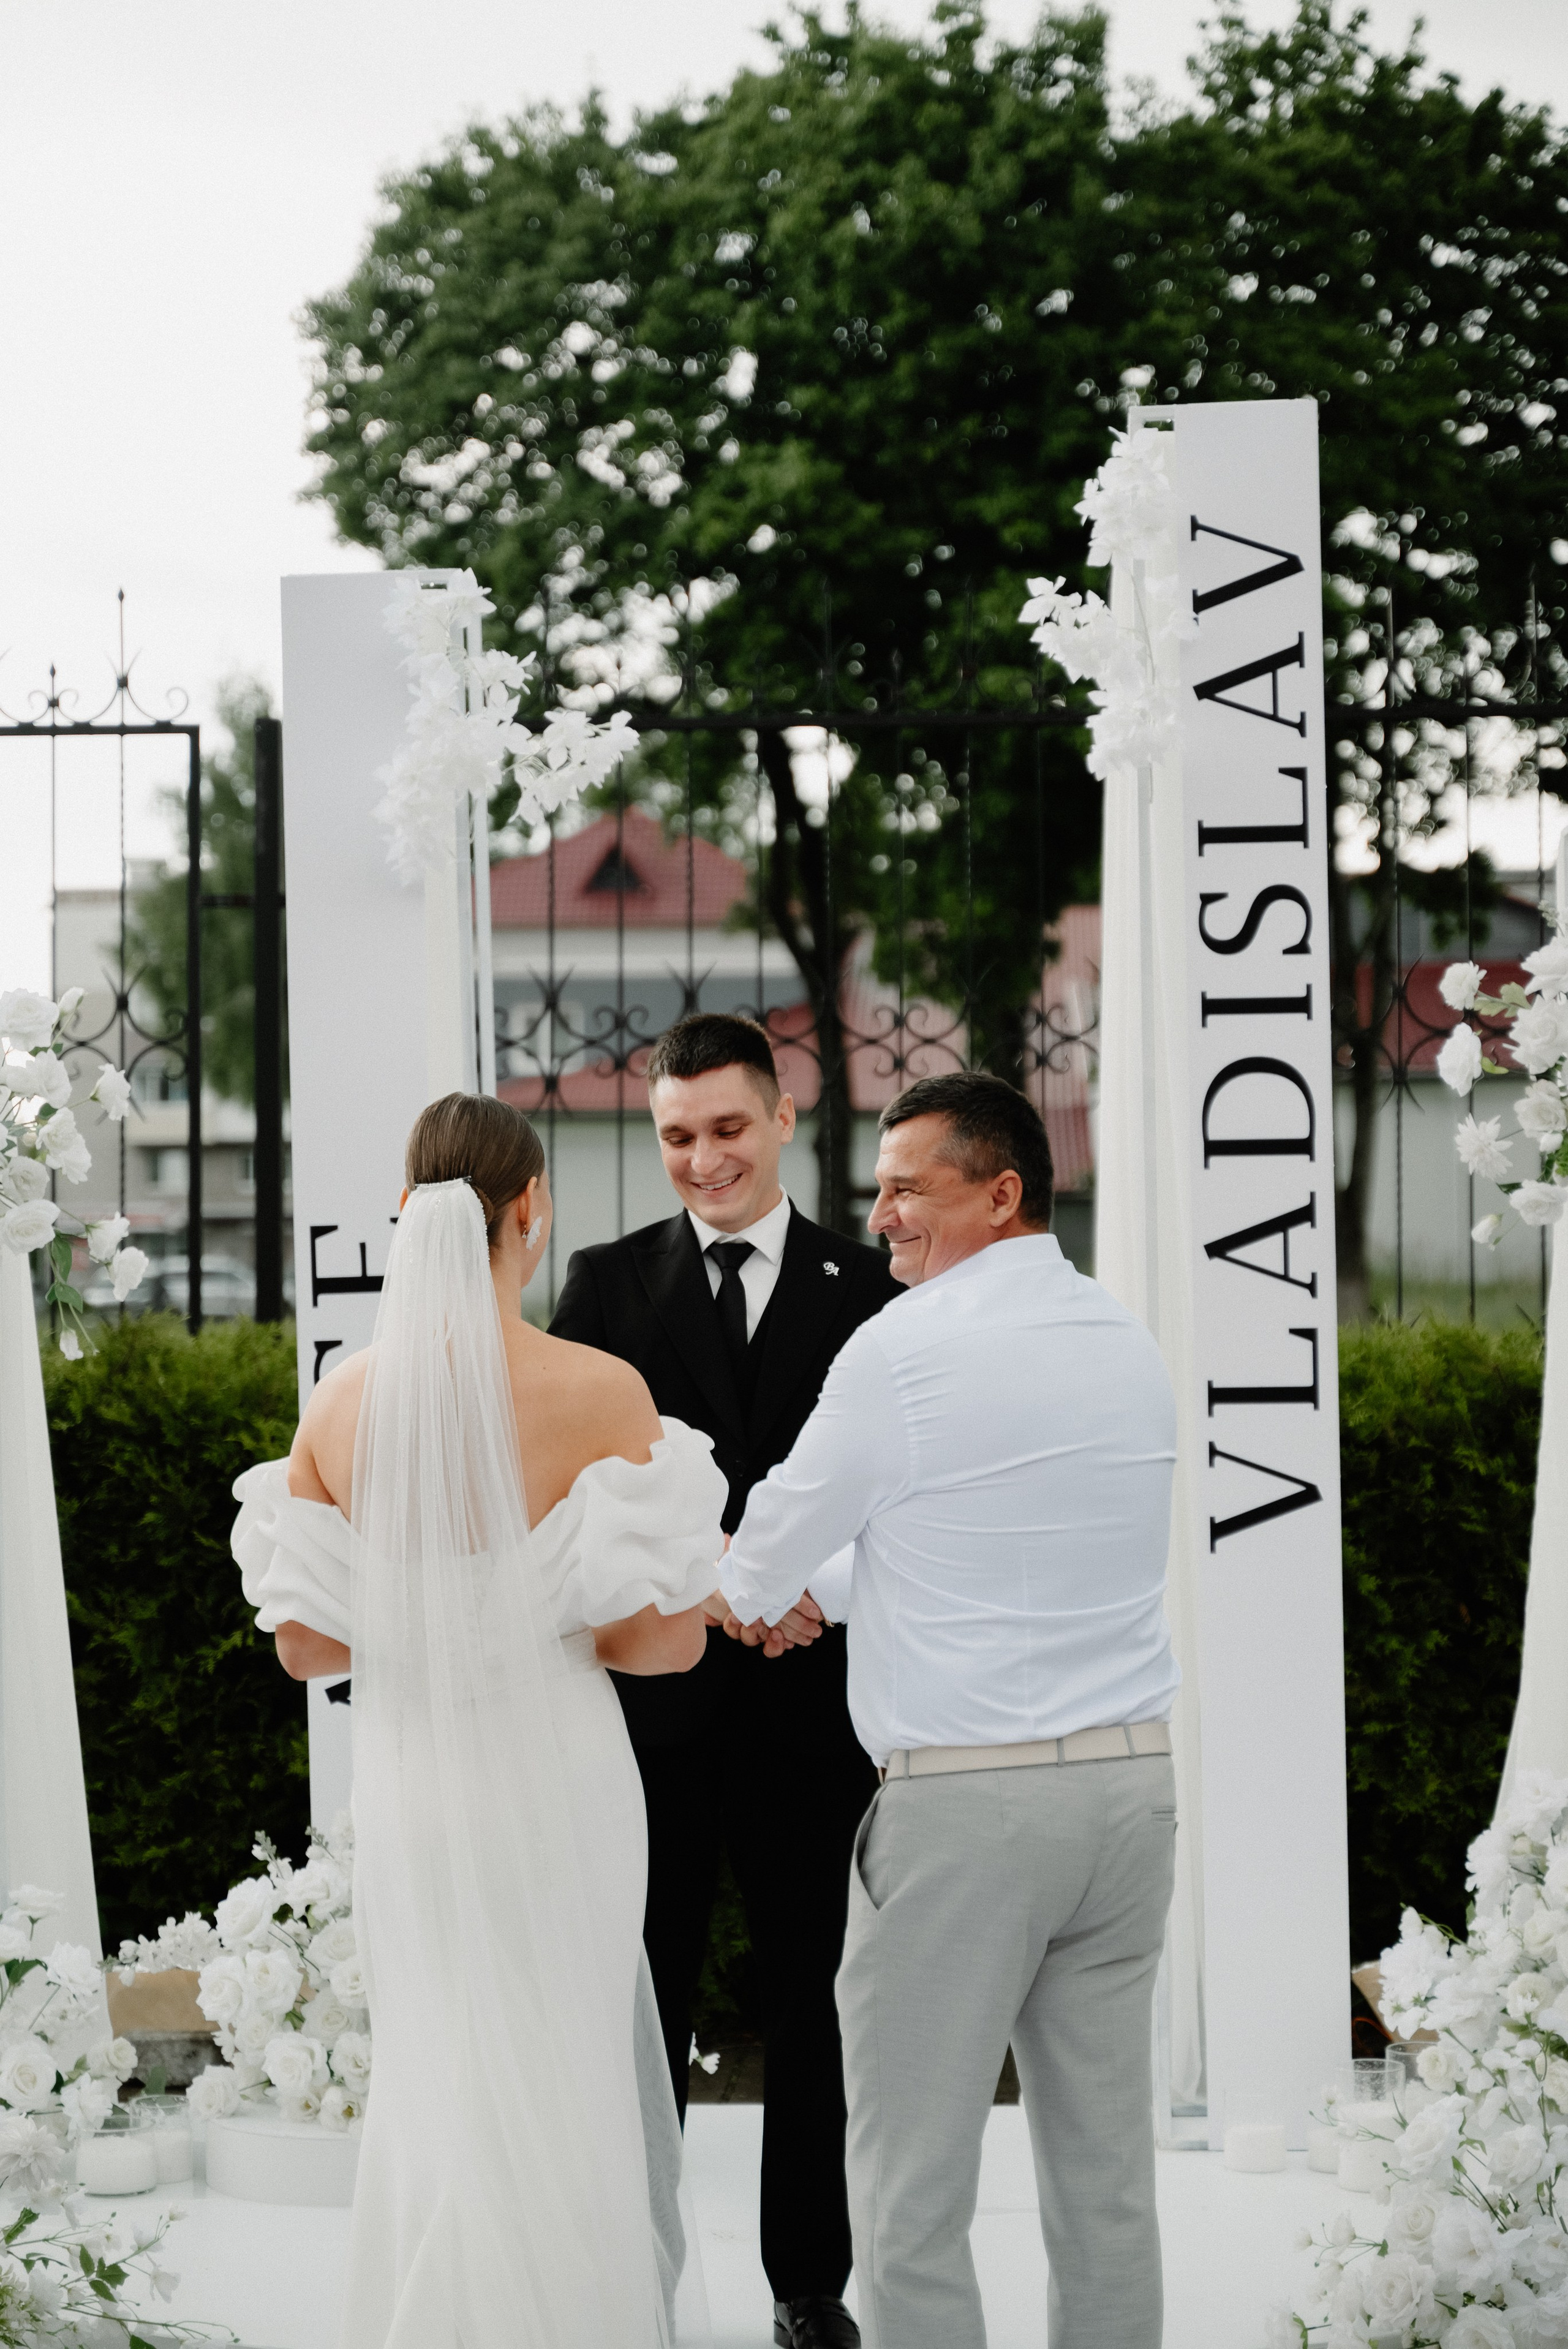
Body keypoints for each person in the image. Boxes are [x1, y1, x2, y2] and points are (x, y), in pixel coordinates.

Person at [229, 1093, 729, 2348]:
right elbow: (665, 1643)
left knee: (438, 2073)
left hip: (418, 1794)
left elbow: (302, 1645)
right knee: (568, 2077)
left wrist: (436, 1624)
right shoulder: (603, 1389)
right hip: (563, 1781)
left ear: (410, 1218)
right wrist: (543, 1621)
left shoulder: (343, 1407)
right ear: (531, 1212)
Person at [720, 1070, 1180, 2349]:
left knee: (910, 2187)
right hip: (1130, 1799)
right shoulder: (1124, 1341)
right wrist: (820, 1586)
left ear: (1000, 1190)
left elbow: (759, 1555)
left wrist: (768, 1593)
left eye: (906, 1186)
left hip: (966, 1817)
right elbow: (973, 1557)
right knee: (1107, 2181)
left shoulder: (901, 1347)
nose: (878, 1216)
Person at [549, 1012, 899, 2349]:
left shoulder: (866, 1288)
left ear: (784, 1115)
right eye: (677, 1136)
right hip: (658, 1714)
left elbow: (894, 1488)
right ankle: (636, 2271)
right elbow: (582, 1494)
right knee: (646, 1994)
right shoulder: (602, 1284)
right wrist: (716, 1594)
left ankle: (807, 2287)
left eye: (727, 1129)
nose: (703, 1159)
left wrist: (819, 1592)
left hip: (815, 1711)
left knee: (813, 2000)